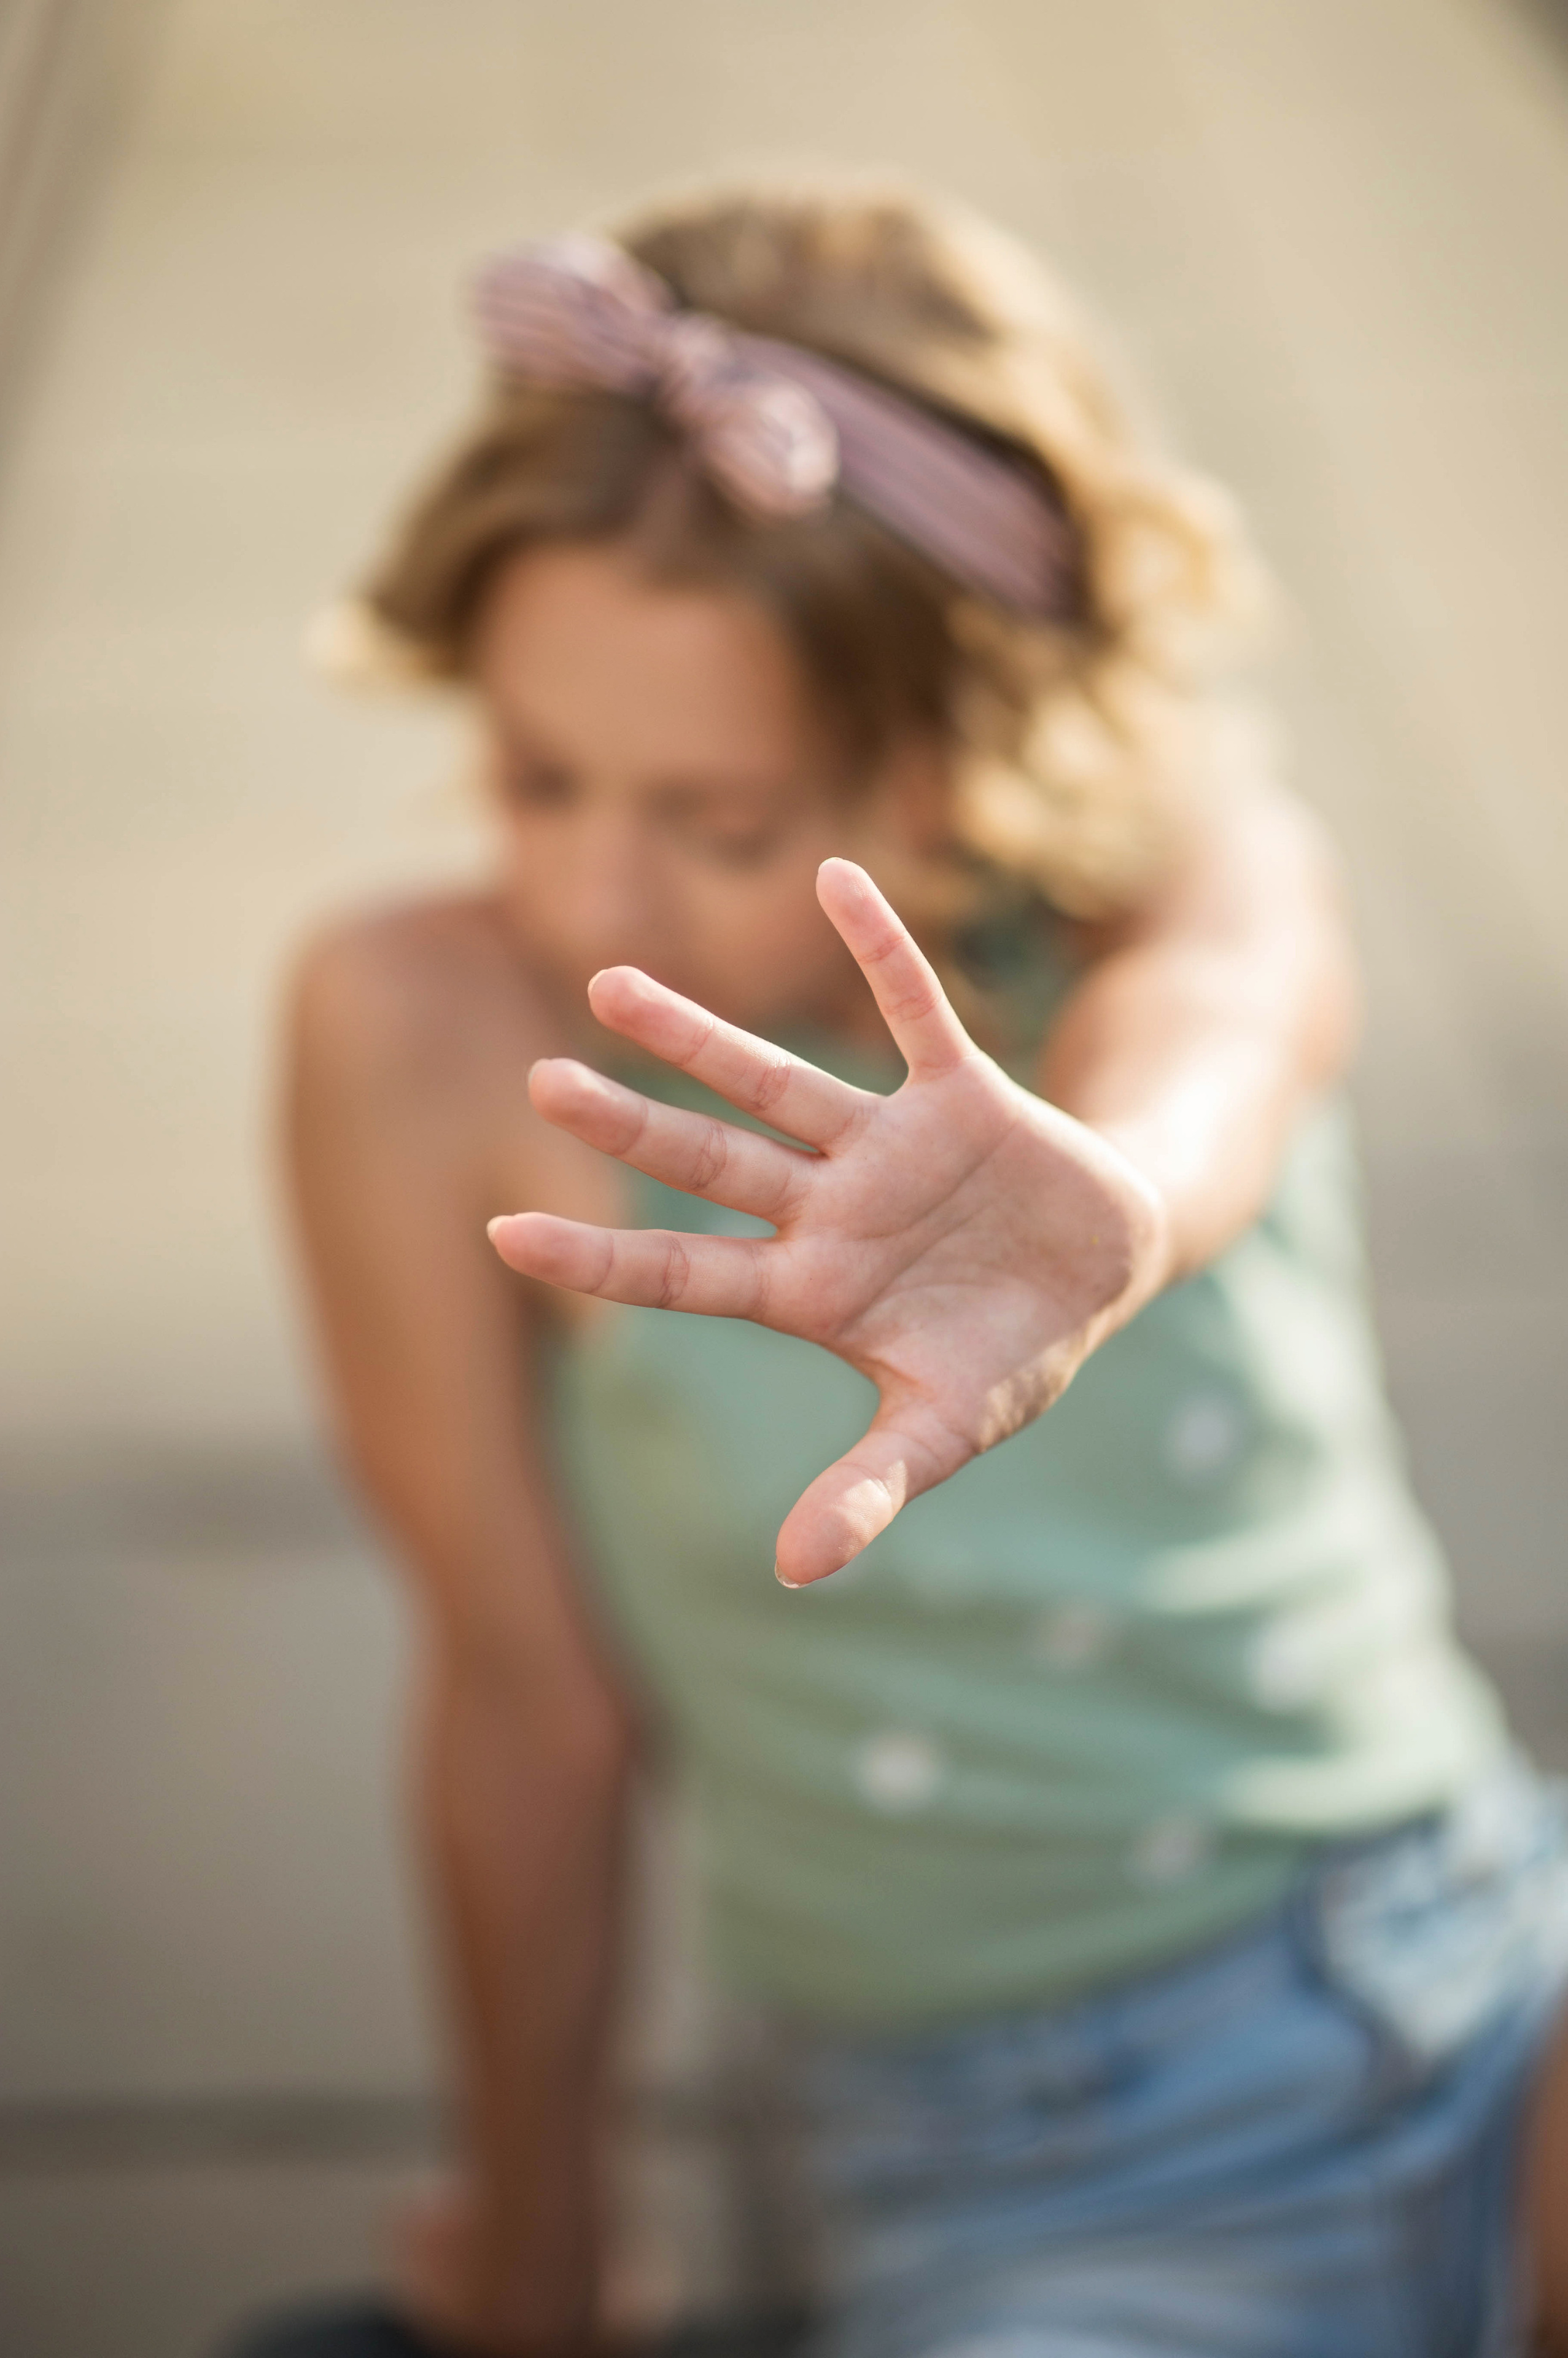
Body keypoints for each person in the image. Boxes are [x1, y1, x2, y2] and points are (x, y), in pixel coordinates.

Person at [282, 179, 1568, 2358]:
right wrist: (536, 2242)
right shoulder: (421, 1034)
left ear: (967, 745)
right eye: (537, 772)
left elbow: (1215, 1043)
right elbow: (523, 1696)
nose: (594, 891)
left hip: (1478, 1954)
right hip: (1031, 2169)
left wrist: (1117, 1205)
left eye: (720, 818)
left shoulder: (1191, 880)